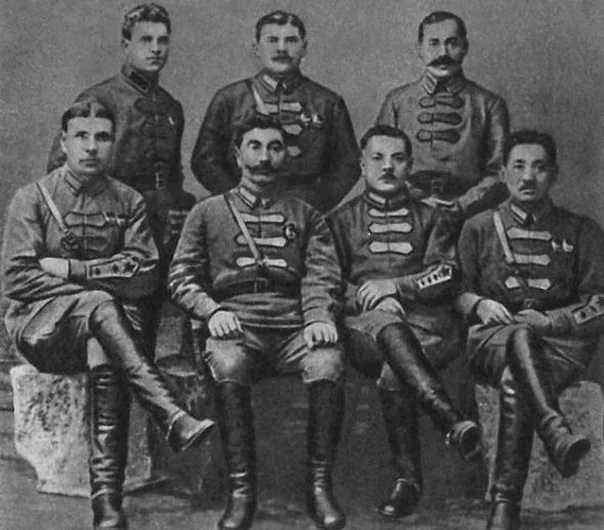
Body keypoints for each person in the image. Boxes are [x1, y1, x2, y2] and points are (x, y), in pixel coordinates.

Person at [1, 99, 214, 530]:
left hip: (103, 332)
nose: (91, 147)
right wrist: (100, 285)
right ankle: (170, 414)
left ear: (113, 144)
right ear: (64, 142)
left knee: (106, 344)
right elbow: (17, 279)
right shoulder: (33, 199)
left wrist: (75, 271)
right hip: (42, 332)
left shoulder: (128, 200)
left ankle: (107, 501)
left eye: (102, 137)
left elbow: (145, 273)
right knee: (103, 307)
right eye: (81, 136)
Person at [169, 117, 346, 530]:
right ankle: (241, 492)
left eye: (274, 147)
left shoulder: (307, 215)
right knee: (228, 363)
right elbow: (180, 277)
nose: (264, 158)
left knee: (328, 362)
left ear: (287, 156)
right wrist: (211, 311)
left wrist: (318, 316)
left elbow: (323, 274)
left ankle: (319, 487)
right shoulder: (207, 212)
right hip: (235, 324)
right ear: (237, 155)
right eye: (255, 146)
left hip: (294, 325)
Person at [328, 125, 481, 519]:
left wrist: (396, 287)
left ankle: (409, 481)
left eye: (397, 159)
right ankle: (448, 420)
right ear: (362, 165)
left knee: (395, 369)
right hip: (364, 330)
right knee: (386, 329)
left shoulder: (433, 217)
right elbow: (327, 281)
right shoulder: (340, 220)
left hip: (428, 328)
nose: (388, 167)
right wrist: (370, 299)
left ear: (410, 166)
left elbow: (446, 273)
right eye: (377, 158)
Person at [456, 130, 604, 530]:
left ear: (553, 175)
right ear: (503, 172)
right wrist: (479, 304)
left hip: (559, 345)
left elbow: (600, 301)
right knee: (518, 338)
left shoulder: (582, 230)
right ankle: (555, 431)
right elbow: (456, 293)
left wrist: (552, 321)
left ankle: (505, 505)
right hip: (493, 340)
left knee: (515, 377)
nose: (527, 176)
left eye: (539, 167)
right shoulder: (478, 227)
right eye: (518, 166)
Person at [47, 3, 193, 358]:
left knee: (148, 321)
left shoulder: (171, 106)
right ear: (125, 44)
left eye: (162, 40)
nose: (156, 49)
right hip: (111, 225)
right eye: (145, 40)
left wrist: (178, 204)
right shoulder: (99, 99)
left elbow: (173, 171)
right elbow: (60, 171)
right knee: (111, 327)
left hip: (159, 227)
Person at [191, 10, 360, 213]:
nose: (281, 49)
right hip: (240, 213)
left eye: (291, 40)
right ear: (256, 48)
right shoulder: (229, 99)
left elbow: (348, 165)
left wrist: (312, 205)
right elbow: (204, 159)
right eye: (272, 40)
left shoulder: (328, 103)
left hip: (303, 214)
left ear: (304, 48)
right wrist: (238, 200)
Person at [376, 11, 510, 220]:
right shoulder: (397, 101)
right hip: (407, 212)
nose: (442, 53)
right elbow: (378, 163)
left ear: (465, 47)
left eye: (452, 43)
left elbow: (499, 172)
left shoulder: (489, 104)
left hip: (471, 216)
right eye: (433, 43)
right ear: (419, 49)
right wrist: (415, 201)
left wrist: (462, 205)